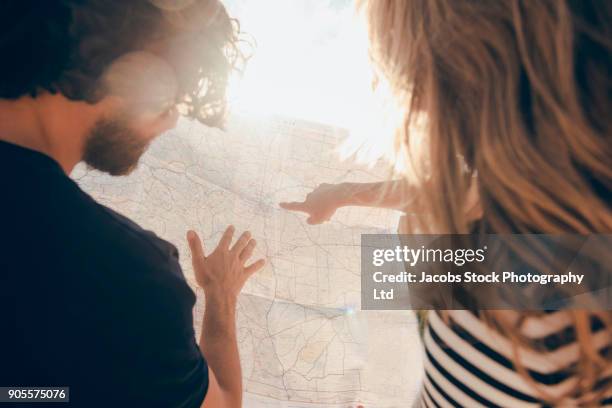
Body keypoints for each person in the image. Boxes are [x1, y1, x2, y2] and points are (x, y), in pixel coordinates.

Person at [282, 0, 612, 405]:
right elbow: (459, 193)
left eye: (410, 73)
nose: (411, 106)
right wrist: (343, 193)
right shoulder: (539, 199)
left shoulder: (557, 306)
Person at [0, 1, 264, 407]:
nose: (172, 121)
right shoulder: (130, 279)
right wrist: (221, 295)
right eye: (175, 100)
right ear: (139, 69)